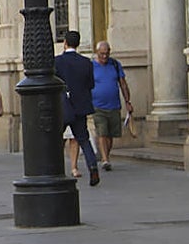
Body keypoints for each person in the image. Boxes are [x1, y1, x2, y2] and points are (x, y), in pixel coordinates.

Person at [55, 30, 101, 186]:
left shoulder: (57, 62)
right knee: (84, 140)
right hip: (81, 107)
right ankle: (93, 167)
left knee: (54, 139)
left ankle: (54, 169)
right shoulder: (86, 62)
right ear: (78, 44)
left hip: (63, 107)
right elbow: (91, 84)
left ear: (65, 43)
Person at [91, 41, 132, 171]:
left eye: (107, 53)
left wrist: (128, 101)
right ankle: (105, 159)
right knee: (102, 132)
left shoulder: (115, 64)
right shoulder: (91, 66)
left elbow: (123, 84)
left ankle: (106, 155)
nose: (104, 56)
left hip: (114, 105)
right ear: (97, 52)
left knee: (110, 135)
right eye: (102, 54)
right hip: (97, 106)